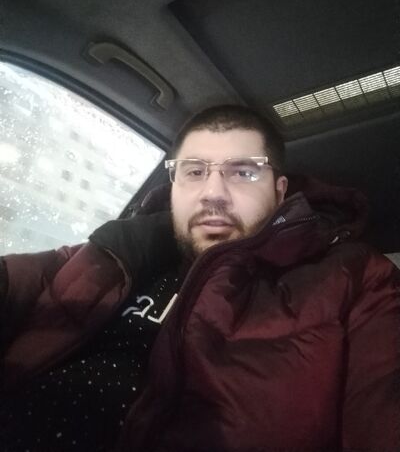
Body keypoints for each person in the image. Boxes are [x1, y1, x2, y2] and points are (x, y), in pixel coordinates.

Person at [0, 104, 399, 452]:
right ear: (173, 185)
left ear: (280, 192)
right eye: (194, 171)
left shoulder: (354, 278)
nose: (213, 193)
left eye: (243, 172)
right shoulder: (113, 251)